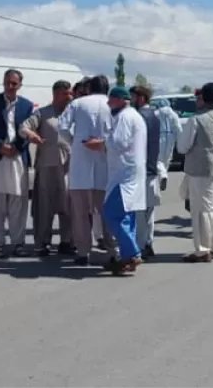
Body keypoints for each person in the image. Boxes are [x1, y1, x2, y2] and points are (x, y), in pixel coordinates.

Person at [90, 87, 147, 275]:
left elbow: (119, 142)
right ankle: (125, 258)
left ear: (122, 100)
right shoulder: (133, 116)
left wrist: (99, 144)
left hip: (124, 175)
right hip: (129, 171)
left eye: (112, 99)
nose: (108, 103)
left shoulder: (125, 117)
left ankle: (132, 253)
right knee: (126, 216)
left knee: (111, 213)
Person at [58, 75, 114, 265]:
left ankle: (83, 252)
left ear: (89, 88)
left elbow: (62, 128)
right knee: (107, 212)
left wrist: (75, 143)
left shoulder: (78, 104)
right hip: (106, 166)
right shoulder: (112, 105)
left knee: (81, 213)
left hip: (80, 167)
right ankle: (111, 248)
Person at [0, 69, 34, 258]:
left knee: (18, 204)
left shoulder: (26, 106)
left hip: (17, 158)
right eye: (7, 83)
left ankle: (18, 243)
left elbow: (29, 130)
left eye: (14, 84)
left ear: (20, 85)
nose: (10, 87)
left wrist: (17, 148)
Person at [20, 80, 74, 257]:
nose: (70, 97)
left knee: (68, 204)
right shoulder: (43, 113)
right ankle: (42, 242)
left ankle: (67, 241)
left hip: (68, 166)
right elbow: (23, 127)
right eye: (67, 94)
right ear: (57, 94)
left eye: (71, 93)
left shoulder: (73, 113)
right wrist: (31, 135)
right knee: (44, 206)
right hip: (47, 166)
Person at [176, 82, 213, 263]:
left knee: (201, 210)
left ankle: (202, 250)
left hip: (200, 169)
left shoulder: (196, 120)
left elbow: (183, 147)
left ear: (203, 98)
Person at [128, 85, 162, 258]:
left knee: (140, 213)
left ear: (141, 98)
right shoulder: (155, 115)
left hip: (142, 170)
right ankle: (147, 242)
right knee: (148, 213)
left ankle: (142, 246)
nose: (131, 100)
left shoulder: (140, 116)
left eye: (133, 97)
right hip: (151, 168)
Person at [151, 97, 180, 187]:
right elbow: (178, 128)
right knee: (167, 159)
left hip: (159, 136)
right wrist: (177, 140)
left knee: (158, 159)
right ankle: (163, 176)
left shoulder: (155, 114)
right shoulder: (174, 114)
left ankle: (162, 175)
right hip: (170, 137)